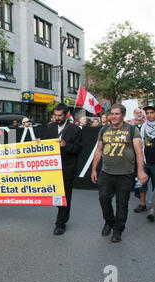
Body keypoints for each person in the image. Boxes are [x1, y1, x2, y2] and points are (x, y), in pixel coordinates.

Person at [91, 104, 148, 243]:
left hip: (125, 174)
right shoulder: (104, 130)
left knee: (122, 204)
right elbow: (98, 150)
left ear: (123, 115)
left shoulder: (132, 130)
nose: (114, 116)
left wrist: (140, 171)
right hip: (106, 172)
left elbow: (139, 152)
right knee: (103, 199)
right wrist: (93, 169)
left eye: (117, 114)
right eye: (112, 114)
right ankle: (109, 221)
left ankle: (118, 230)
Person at [43, 103, 82, 235]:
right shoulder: (51, 127)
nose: (57, 118)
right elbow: (45, 144)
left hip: (67, 168)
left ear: (66, 115)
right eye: (56, 115)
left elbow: (78, 149)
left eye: (60, 115)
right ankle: (61, 214)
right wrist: (39, 143)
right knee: (56, 195)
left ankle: (61, 223)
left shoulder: (75, 129)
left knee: (64, 195)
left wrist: (66, 145)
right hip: (53, 169)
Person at [135, 106, 155, 221]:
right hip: (145, 161)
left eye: (152, 112)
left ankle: (153, 208)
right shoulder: (143, 127)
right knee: (140, 183)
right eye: (147, 113)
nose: (149, 115)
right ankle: (142, 204)